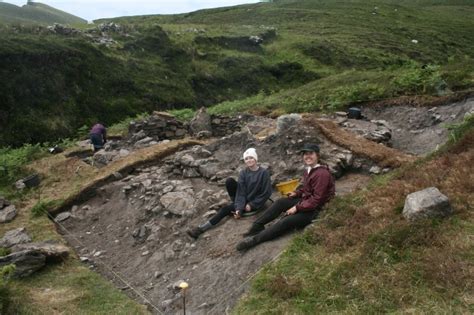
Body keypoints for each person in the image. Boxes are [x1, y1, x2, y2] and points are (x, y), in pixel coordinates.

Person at [236, 143, 335, 251]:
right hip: (307, 202)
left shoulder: (322, 174)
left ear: (318, 155)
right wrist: (297, 193)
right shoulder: (309, 170)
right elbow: (307, 190)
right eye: (305, 154)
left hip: (317, 209)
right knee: (280, 202)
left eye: (311, 153)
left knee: (286, 221)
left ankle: (254, 240)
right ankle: (257, 226)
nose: (307, 156)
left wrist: (297, 208)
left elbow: (317, 199)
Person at [187, 148, 272, 239]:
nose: (249, 160)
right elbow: (241, 192)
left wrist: (252, 204)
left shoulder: (263, 173)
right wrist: (239, 208)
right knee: (229, 181)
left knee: (225, 210)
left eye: (251, 158)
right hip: (243, 199)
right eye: (246, 159)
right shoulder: (243, 173)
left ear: (255, 159)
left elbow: (266, 192)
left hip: (255, 201)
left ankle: (200, 229)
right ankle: (235, 206)